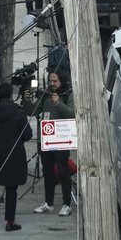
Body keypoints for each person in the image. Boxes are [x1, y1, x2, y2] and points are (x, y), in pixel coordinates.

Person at [0, 82, 33, 231]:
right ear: (10, 95)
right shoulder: (18, 113)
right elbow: (27, 135)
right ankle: (10, 222)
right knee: (11, 189)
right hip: (13, 155)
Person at [34, 71, 75, 216]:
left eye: (55, 81)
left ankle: (66, 204)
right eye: (50, 81)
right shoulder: (46, 96)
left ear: (61, 81)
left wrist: (58, 103)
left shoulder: (68, 95)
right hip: (46, 140)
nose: (52, 84)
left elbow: (72, 114)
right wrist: (27, 100)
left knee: (64, 172)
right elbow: (33, 111)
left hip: (61, 139)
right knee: (48, 171)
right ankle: (48, 203)